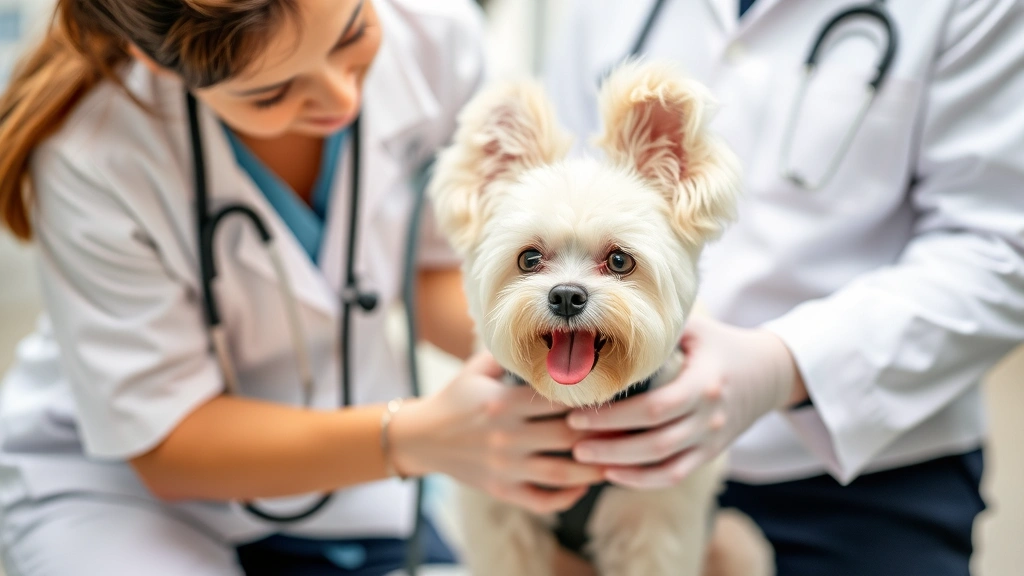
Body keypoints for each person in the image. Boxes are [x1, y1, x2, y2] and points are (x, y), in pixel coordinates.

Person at [0, 1, 607, 574]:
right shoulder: (94, 145)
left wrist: (561, 347)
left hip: (355, 491)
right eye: (270, 92)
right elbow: (167, 442)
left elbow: (428, 270)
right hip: (126, 503)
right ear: (162, 62)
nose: (341, 97)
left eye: (351, 34)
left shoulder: (432, 32)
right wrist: (420, 437)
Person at [546, 1, 1024, 574]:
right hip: (613, 467)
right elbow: (558, 200)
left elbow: (1001, 244)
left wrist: (782, 365)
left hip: (861, 478)